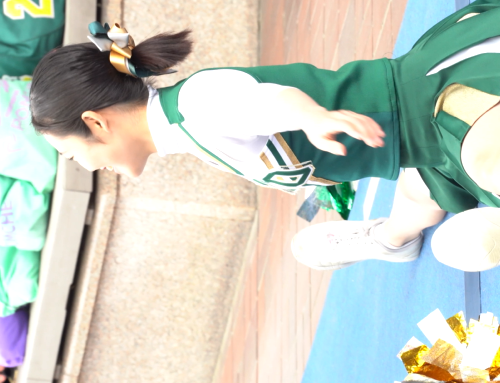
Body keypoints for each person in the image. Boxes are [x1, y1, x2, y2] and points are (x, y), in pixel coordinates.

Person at [28, 0, 500, 272]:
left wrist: (312, 117)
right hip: (413, 148)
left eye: (72, 155)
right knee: (418, 198)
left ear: (96, 123)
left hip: (437, 106)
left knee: (483, 181)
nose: (85, 166)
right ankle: (389, 239)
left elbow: (268, 101)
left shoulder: (194, 105)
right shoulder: (179, 126)